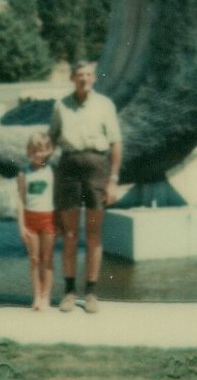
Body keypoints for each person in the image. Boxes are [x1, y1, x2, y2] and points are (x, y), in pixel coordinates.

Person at [47, 59, 122, 313]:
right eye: (79, 75)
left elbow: (115, 144)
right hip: (68, 168)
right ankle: (69, 292)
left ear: (94, 78)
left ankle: (90, 293)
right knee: (69, 234)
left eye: (88, 74)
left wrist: (113, 180)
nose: (84, 79)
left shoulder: (105, 105)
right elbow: (52, 140)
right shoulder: (61, 106)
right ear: (72, 79)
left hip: (97, 169)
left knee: (93, 234)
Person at [16, 132, 60, 312]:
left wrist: (59, 223)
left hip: (48, 218)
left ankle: (46, 296)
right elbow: (20, 200)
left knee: (47, 259)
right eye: (34, 151)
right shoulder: (23, 173)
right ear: (29, 152)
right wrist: (21, 226)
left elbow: (57, 198)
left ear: (48, 151)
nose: (38, 154)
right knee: (34, 259)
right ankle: (36, 296)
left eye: (42, 151)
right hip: (30, 220)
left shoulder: (52, 172)